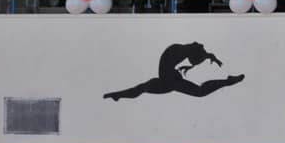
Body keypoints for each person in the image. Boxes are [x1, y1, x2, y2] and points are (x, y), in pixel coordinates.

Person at [103, 42, 243, 101]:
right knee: (200, 91)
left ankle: (117, 95)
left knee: (141, 88)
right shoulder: (181, 51)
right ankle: (228, 81)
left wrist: (210, 56)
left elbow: (198, 55)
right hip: (169, 80)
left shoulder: (184, 49)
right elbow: (195, 58)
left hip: (167, 78)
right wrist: (207, 57)